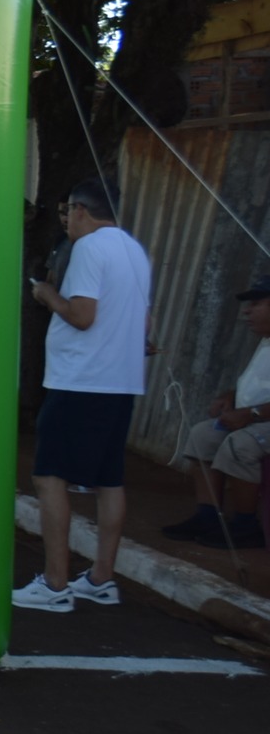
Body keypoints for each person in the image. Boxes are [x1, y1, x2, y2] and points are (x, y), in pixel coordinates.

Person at [15, 177, 152, 611]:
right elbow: (144, 324)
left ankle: (55, 585)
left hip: (81, 380)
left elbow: (82, 315)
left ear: (80, 210)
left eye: (68, 212)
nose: (66, 221)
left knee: (48, 475)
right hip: (120, 381)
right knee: (109, 479)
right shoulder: (134, 249)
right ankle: (100, 578)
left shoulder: (90, 248)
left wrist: (47, 293)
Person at [160, 273, 270, 547]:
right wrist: (230, 396)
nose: (247, 311)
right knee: (203, 435)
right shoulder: (266, 340)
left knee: (240, 446)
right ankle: (209, 516)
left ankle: (246, 525)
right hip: (255, 416)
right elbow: (258, 383)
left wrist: (249, 414)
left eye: (257, 303)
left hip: (261, 420)